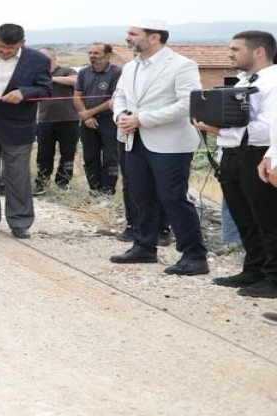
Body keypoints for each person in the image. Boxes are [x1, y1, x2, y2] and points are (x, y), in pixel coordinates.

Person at [108, 19, 208, 275]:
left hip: (170, 143)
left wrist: (142, 119)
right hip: (134, 139)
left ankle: (194, 255)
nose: (127, 37)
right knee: (139, 195)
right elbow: (119, 96)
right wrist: (120, 116)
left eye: (133, 33)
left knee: (172, 198)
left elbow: (187, 103)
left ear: (154, 37)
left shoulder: (182, 65)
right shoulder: (130, 67)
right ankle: (144, 246)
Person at [199, 31, 277, 297]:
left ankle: (274, 278)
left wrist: (220, 131)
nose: (229, 54)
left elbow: (269, 128)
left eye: (235, 49)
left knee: (267, 219)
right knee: (244, 218)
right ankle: (254, 269)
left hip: (259, 155)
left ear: (258, 51)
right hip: (232, 155)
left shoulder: (274, 82)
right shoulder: (242, 81)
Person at [0, 24, 53, 239]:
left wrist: (24, 93)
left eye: (11, 48)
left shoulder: (38, 60)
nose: (5, 52)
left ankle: (20, 221)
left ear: (22, 43)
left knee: (18, 176)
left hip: (18, 128)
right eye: (1, 47)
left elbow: (46, 89)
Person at [74, 43, 123, 196]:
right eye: (90, 52)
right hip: (87, 121)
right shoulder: (83, 72)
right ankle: (94, 189)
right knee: (90, 156)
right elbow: (76, 96)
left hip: (109, 120)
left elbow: (114, 100)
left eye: (96, 52)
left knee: (110, 157)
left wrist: (89, 113)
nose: (92, 55)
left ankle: (108, 191)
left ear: (108, 55)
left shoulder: (117, 73)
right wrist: (85, 114)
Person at [34, 48, 80, 195]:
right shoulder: (37, 74)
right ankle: (41, 183)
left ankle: (63, 182)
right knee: (44, 154)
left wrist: (51, 79)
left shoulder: (66, 70)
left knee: (68, 153)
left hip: (69, 119)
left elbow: (76, 81)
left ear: (54, 56)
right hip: (45, 120)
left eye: (44, 55)